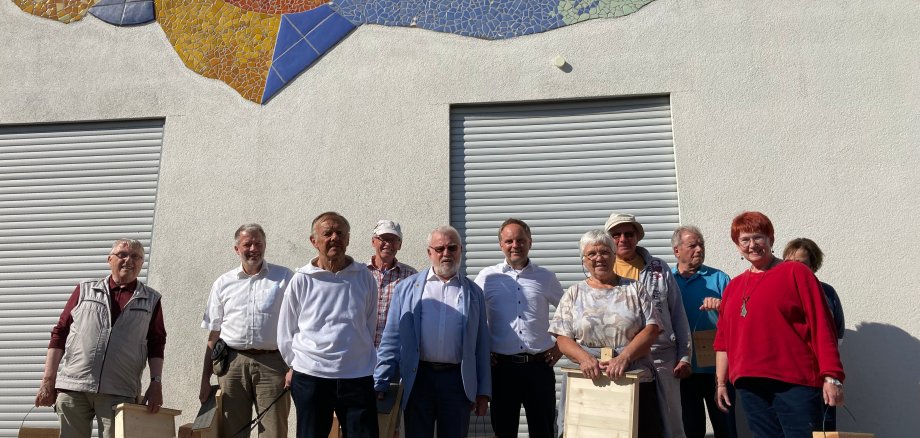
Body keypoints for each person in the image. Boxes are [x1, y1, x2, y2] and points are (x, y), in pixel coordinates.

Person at [714, 212, 845, 438]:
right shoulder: (733, 287)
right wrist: (721, 384)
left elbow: (822, 326)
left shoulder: (796, 273)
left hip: (795, 383)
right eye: (744, 240)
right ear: (737, 245)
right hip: (749, 384)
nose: (752, 245)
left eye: (758, 237)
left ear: (771, 240)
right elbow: (723, 342)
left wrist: (832, 376)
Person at [35, 239, 166, 438]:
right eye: (122, 254)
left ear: (141, 263)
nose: (128, 260)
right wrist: (48, 380)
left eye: (136, 257)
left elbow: (157, 343)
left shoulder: (151, 299)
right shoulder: (84, 290)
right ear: (109, 259)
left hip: (120, 390)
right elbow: (59, 333)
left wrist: (156, 383)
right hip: (74, 387)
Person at [374, 225, 491, 438]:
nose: (446, 253)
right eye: (439, 249)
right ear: (429, 253)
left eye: (452, 248)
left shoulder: (474, 293)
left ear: (460, 250)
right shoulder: (407, 289)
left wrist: (483, 391)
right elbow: (391, 339)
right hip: (419, 379)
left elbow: (481, 345)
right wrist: (380, 379)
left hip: (457, 381)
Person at [549, 229, 662, 436]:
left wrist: (624, 358)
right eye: (591, 254)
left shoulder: (635, 289)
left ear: (613, 255)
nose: (598, 258)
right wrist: (585, 359)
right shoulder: (574, 293)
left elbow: (652, 329)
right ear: (584, 260)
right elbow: (562, 338)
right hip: (588, 382)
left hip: (633, 379)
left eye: (604, 252)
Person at [277, 212, 379, 438]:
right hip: (312, 377)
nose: (335, 238)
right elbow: (286, 330)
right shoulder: (302, 279)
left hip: (357, 376)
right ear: (314, 241)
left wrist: (357, 356)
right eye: (327, 233)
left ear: (348, 239)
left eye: (340, 233)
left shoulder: (364, 277)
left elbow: (368, 324)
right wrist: (297, 364)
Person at [199, 224, 294, 437]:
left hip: (273, 364)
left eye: (258, 243)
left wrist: (294, 366)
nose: (253, 248)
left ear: (265, 245)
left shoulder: (285, 278)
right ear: (236, 249)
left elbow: (299, 327)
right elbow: (213, 335)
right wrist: (204, 380)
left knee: (274, 431)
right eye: (247, 244)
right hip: (232, 365)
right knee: (232, 430)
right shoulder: (223, 283)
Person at [474, 218, 564, 438]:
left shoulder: (546, 278)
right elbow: (472, 319)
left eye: (520, 240)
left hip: (539, 368)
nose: (515, 245)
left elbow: (569, 314)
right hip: (502, 370)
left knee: (543, 431)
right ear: (501, 245)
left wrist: (561, 346)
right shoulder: (487, 277)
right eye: (509, 241)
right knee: (504, 431)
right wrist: (482, 352)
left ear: (530, 242)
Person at [605, 212, 691, 438]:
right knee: (625, 424)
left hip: (662, 355)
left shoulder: (658, 268)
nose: (623, 238)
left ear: (637, 237)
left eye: (628, 233)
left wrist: (684, 355)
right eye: (616, 234)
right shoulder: (604, 270)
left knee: (671, 423)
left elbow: (677, 313)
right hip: (622, 359)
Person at [670, 226, 737, 438]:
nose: (699, 249)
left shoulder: (720, 279)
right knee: (691, 430)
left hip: (718, 370)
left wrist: (722, 306)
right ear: (677, 251)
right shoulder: (667, 282)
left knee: (726, 428)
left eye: (702, 245)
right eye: (692, 245)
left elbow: (740, 320)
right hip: (683, 369)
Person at [783, 237, 845, 431]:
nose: (793, 268)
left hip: (820, 374)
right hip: (788, 376)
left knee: (823, 428)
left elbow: (838, 335)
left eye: (800, 264)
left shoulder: (827, 293)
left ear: (813, 266)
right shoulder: (779, 292)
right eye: (788, 262)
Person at [367, 220, 418, 348]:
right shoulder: (360, 273)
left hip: (394, 354)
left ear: (400, 245)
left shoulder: (411, 276)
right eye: (383, 238)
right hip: (361, 354)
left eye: (394, 240)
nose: (388, 244)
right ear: (373, 241)